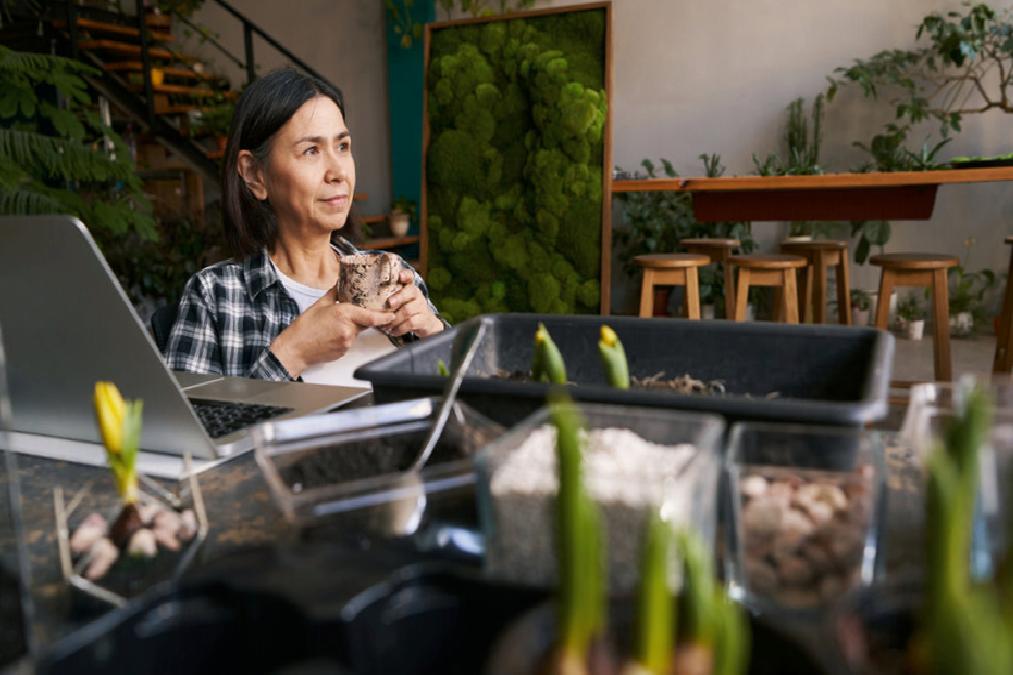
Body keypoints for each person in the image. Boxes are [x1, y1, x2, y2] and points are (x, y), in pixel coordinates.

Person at [165, 68, 445, 383]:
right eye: (311, 151)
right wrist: (290, 355)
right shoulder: (215, 296)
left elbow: (470, 406)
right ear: (255, 174)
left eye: (342, 146)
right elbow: (191, 431)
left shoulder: (394, 275)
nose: (338, 172)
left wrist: (435, 335)